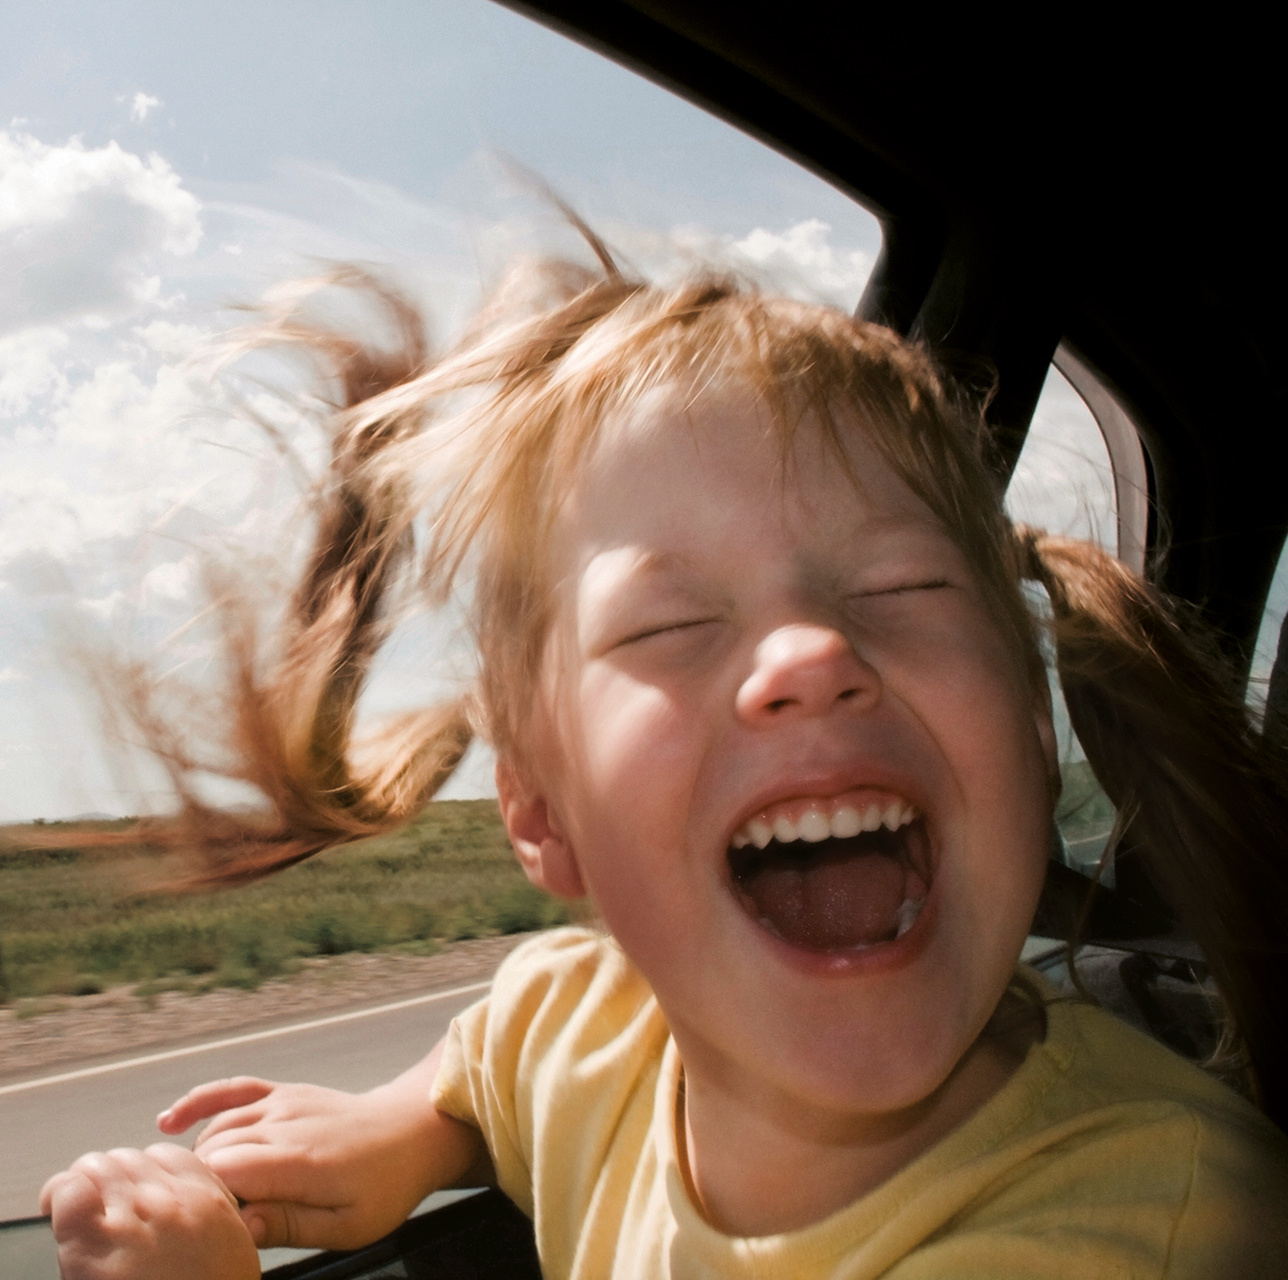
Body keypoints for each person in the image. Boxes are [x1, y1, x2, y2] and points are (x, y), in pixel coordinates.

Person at [39, 255, 1288, 1278]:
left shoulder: (1149, 1217)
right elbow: (502, 1056)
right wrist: (407, 1129)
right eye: (670, 625)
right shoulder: (589, 1019)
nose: (809, 651)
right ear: (539, 809)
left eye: (903, 586)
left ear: (1031, 722)